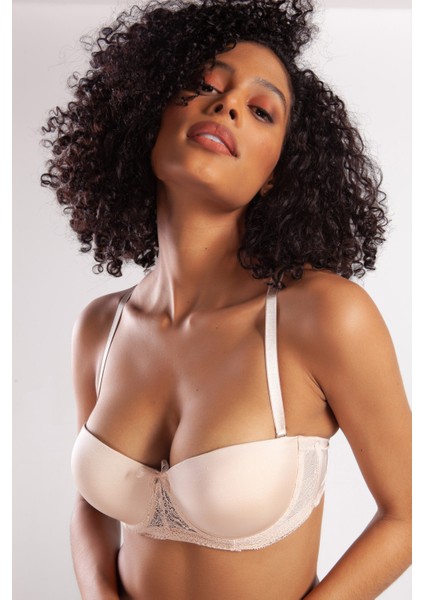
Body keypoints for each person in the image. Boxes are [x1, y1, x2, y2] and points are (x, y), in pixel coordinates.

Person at [40, 0, 412, 598]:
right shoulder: (100, 328)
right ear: (150, 112)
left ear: (277, 172)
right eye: (205, 85)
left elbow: (406, 518)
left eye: (261, 110)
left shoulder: (324, 315)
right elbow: (90, 509)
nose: (228, 104)